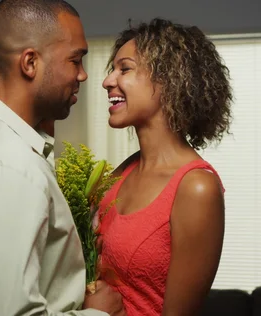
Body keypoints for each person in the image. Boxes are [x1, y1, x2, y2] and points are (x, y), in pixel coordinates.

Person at [0, 1, 126, 315]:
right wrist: (97, 314)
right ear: (30, 63)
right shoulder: (1, 165)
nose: (83, 75)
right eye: (76, 60)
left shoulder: (3, 149)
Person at [95, 18, 233, 316]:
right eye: (112, 70)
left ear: (168, 79)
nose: (107, 81)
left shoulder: (197, 187)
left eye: (124, 68)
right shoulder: (119, 174)